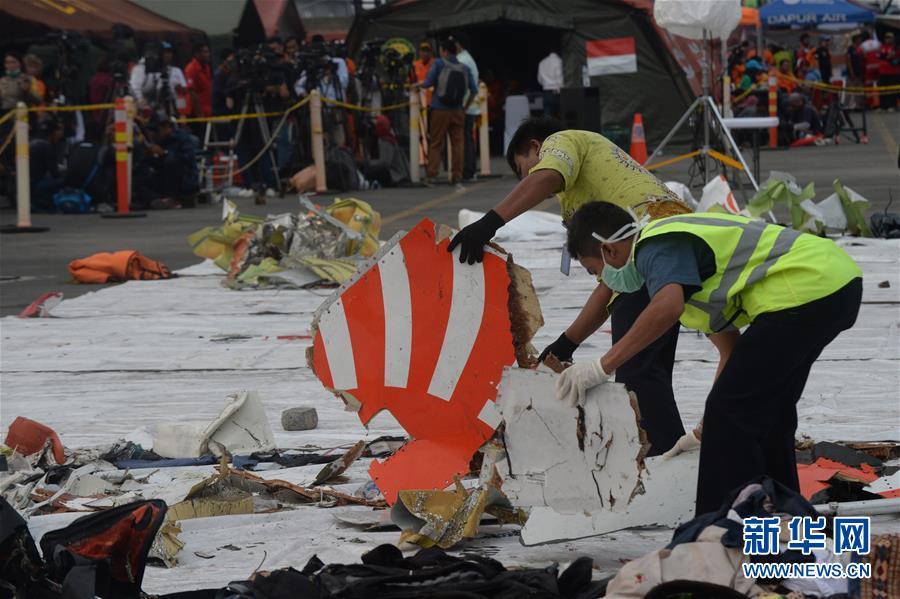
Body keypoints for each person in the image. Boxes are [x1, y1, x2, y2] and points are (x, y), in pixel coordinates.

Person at [557, 202, 862, 515]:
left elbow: (666, 307)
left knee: (731, 414)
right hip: (834, 284)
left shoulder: (655, 244)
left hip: (806, 289)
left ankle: (718, 529)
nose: (602, 282)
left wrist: (601, 366)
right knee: (770, 412)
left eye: (595, 272)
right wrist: (702, 430)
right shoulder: (687, 281)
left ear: (609, 250)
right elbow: (731, 350)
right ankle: (783, 515)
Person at [448, 116, 689, 456]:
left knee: (638, 371)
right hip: (658, 253)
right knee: (648, 370)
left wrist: (489, 223)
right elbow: (609, 286)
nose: (530, 180)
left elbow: (546, 176)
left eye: (525, 169)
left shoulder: (563, 140)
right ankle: (673, 458)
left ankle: (662, 461)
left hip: (653, 246)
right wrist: (565, 345)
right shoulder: (581, 203)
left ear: (535, 147)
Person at [418, 38, 477, 187]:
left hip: (440, 109)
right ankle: (457, 177)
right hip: (458, 110)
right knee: (458, 144)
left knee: (436, 143)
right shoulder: (464, 67)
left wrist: (415, 85)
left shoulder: (439, 63)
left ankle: (432, 176)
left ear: (443, 51)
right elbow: (474, 90)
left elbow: (428, 83)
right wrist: (464, 107)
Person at [129, 41, 188, 115]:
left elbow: (164, 91)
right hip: (142, 109)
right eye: (165, 53)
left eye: (169, 52)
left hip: (162, 108)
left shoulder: (171, 70)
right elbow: (135, 88)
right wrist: (141, 101)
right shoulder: (140, 68)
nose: (167, 55)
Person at [452, 31, 480, 181]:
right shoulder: (468, 58)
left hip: (464, 106)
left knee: (464, 139)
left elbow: (461, 85)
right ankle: (470, 170)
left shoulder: (461, 60)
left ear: (458, 44)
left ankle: (468, 171)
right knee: (467, 138)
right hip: (470, 105)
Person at [29, 117, 65, 212]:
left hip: (26, 184)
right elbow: (55, 172)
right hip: (37, 185)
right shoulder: (47, 146)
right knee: (65, 180)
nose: (60, 134)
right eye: (58, 131)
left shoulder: (31, 142)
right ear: (53, 133)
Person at [184, 42, 213, 119]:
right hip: (196, 114)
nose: (208, 54)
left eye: (208, 52)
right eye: (205, 52)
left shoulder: (206, 67)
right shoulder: (191, 69)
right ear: (197, 54)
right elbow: (192, 92)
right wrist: (199, 114)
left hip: (207, 111)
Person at [537, 47, 563, 118]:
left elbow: (539, 80)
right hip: (557, 92)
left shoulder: (542, 62)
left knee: (547, 116)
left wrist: (546, 84)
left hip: (546, 92)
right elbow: (559, 77)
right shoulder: (558, 61)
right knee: (559, 116)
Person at [878, 32, 900, 112]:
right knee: (882, 89)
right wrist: (887, 57)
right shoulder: (882, 47)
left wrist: (889, 58)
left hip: (893, 72)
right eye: (886, 38)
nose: (887, 39)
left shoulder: (896, 48)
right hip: (883, 72)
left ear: (893, 39)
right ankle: (883, 106)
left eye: (889, 38)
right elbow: (880, 56)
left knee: (892, 90)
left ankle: (892, 105)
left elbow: (895, 59)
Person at [413, 41, 435, 106]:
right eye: (423, 51)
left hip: (432, 102)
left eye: (427, 51)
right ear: (419, 52)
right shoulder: (415, 65)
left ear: (431, 52)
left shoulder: (436, 64)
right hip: (418, 101)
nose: (425, 53)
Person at [847, 34, 865, 109]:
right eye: (859, 38)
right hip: (853, 73)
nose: (860, 40)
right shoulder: (851, 49)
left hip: (860, 72)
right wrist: (851, 72)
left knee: (860, 90)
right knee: (851, 89)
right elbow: (848, 61)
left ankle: (859, 105)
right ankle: (848, 106)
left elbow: (863, 58)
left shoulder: (860, 48)